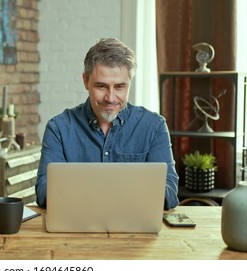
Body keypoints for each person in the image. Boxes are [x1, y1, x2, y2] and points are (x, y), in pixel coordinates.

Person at [35, 38, 179, 210]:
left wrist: (86, 191)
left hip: (135, 230)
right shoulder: (58, 128)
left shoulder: (154, 126)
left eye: (119, 87)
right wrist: (127, 191)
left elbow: (170, 192)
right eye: (101, 86)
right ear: (85, 81)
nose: (110, 98)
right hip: (76, 230)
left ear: (129, 84)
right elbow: (44, 191)